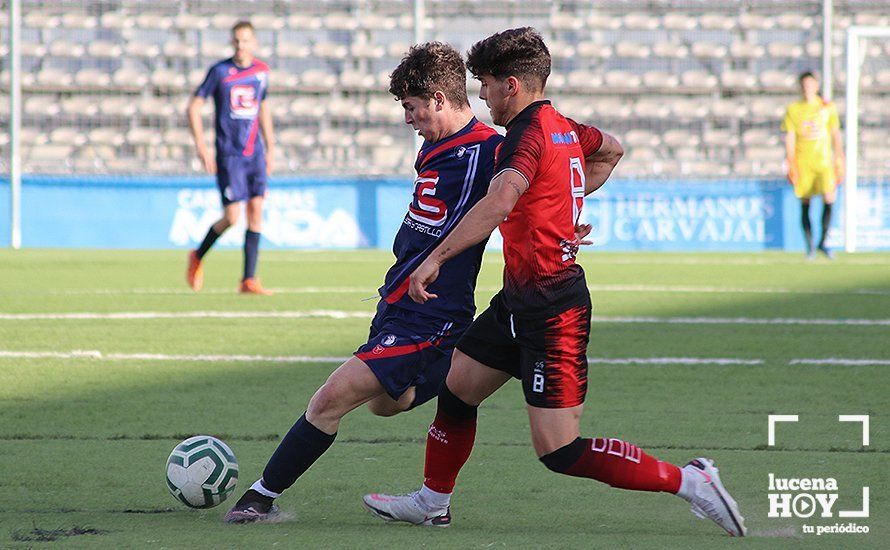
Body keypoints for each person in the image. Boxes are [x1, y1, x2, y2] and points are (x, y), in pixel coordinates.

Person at [362, 28, 747, 537]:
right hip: (518, 302)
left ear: (512, 85)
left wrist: (436, 258)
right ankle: (433, 502)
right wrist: (560, 206)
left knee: (559, 450)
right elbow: (611, 150)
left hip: (553, 309)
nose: (481, 95)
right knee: (457, 390)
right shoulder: (562, 126)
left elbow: (500, 200)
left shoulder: (526, 133)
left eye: (486, 84)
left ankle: (690, 481)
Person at [223, 42, 504, 523]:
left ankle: (258, 498)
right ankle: (457, 365)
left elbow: (551, 173)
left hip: (431, 311)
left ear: (439, 97)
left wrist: (569, 213)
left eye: (412, 107)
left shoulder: (493, 149)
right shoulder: (433, 146)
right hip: (397, 301)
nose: (408, 118)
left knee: (330, 398)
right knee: (387, 405)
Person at [186, 20, 275, 294]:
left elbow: (263, 108)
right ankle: (197, 255)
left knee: (256, 210)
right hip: (229, 153)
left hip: (255, 153)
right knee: (232, 216)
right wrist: (201, 144)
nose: (240, 45)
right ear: (231, 42)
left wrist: (271, 146)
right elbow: (194, 105)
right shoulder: (220, 71)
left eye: (246, 40)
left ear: (254, 42)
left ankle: (248, 280)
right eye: (236, 40)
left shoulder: (261, 72)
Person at [782, 71, 845, 260]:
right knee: (805, 202)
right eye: (804, 85)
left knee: (829, 197)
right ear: (800, 87)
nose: (807, 88)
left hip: (824, 161)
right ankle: (809, 246)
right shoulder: (794, 109)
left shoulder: (827, 107)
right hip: (803, 162)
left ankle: (823, 242)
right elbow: (790, 135)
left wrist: (840, 156)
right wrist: (790, 160)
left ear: (816, 86)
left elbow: (835, 133)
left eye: (810, 84)